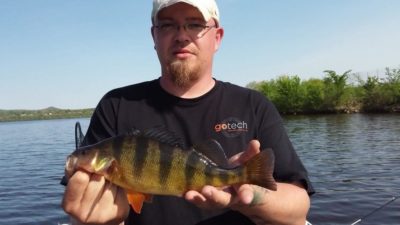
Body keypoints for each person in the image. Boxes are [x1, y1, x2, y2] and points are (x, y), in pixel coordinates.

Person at [62, 0, 314, 224]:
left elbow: (299, 208)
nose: (182, 36)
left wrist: (248, 197)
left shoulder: (254, 104)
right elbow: (100, 206)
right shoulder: (116, 104)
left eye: (194, 24)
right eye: (168, 25)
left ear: (217, 37)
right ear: (154, 36)